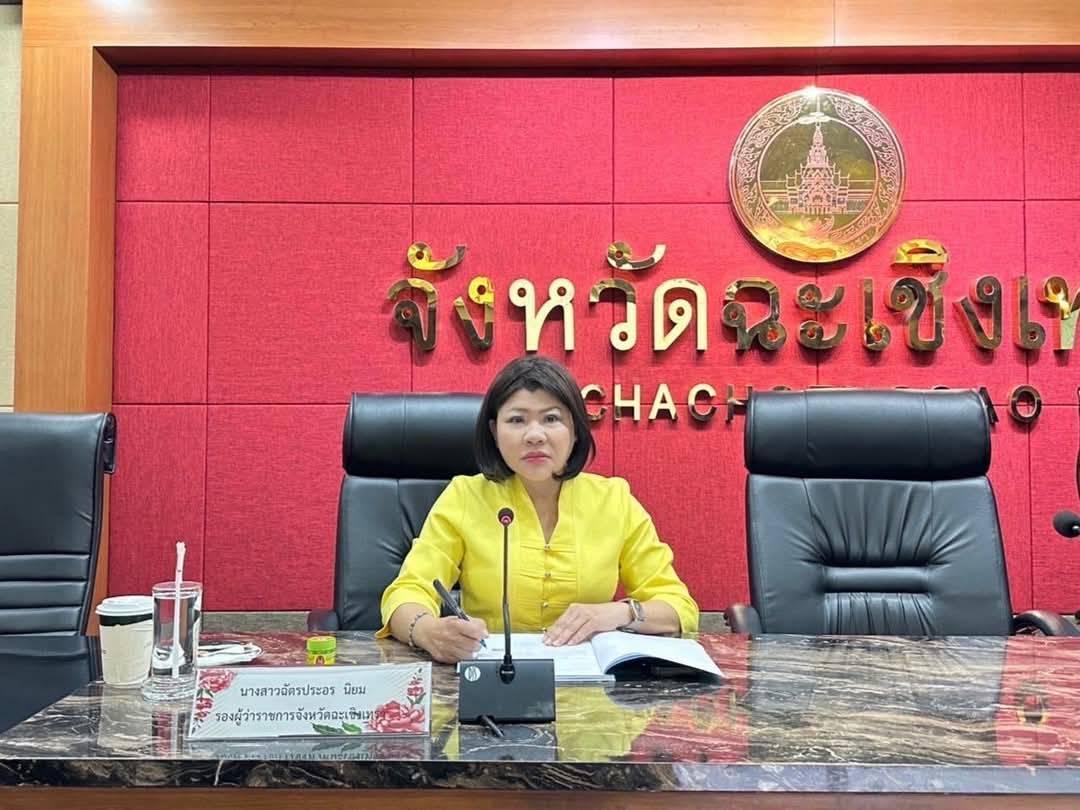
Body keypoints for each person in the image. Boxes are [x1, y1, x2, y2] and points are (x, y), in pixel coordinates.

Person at [377, 355, 699, 663]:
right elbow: (407, 592)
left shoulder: (614, 500)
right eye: (517, 420)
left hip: (591, 686)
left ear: (575, 430)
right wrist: (428, 631)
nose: (534, 435)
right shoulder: (465, 497)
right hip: (494, 678)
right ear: (495, 432)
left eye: (551, 419)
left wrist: (617, 612)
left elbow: (678, 607)